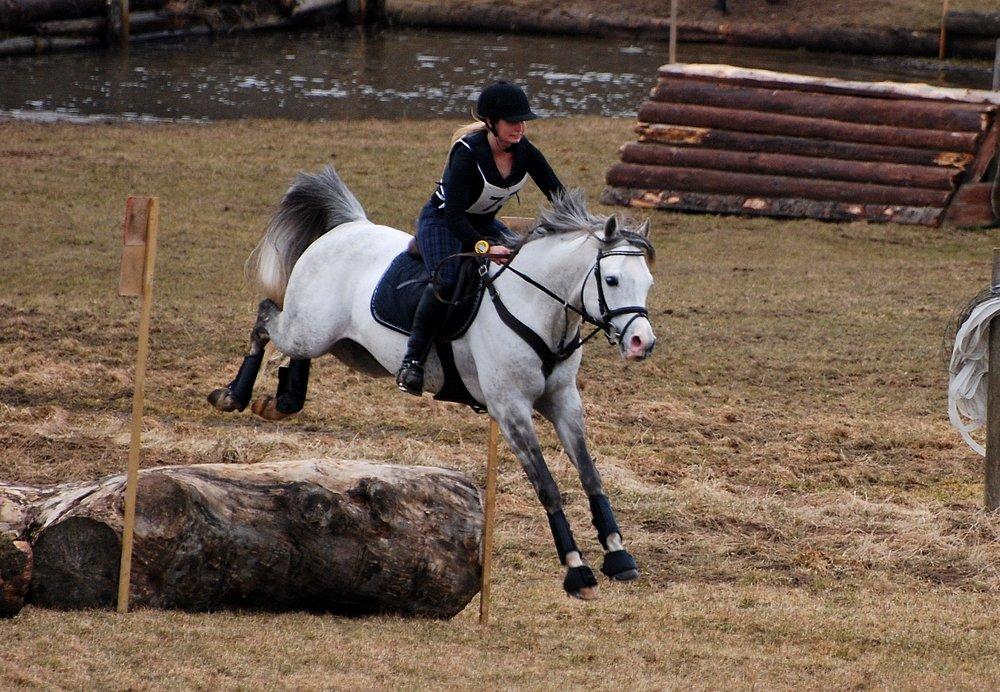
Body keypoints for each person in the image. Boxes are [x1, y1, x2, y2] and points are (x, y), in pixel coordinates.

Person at [396, 80, 565, 395]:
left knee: (521, 265)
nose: (520, 128)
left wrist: (584, 224)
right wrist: (484, 248)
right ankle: (413, 361)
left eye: (523, 121)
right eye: (513, 122)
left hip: (483, 222)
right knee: (446, 281)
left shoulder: (526, 152)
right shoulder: (467, 155)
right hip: (443, 222)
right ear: (492, 123)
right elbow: (455, 216)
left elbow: (558, 193)